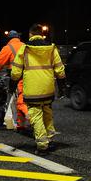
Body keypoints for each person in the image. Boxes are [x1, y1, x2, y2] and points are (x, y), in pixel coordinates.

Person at [10, 24, 66, 155]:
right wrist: (62, 86)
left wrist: (12, 85)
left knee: (36, 116)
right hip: (48, 88)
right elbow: (60, 70)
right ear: (42, 34)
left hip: (32, 89)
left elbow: (16, 72)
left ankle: (42, 146)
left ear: (30, 35)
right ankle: (50, 140)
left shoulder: (24, 49)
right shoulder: (52, 49)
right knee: (47, 113)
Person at [0, 30, 29, 130]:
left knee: (20, 102)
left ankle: (33, 120)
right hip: (31, 76)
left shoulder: (8, 48)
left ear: (9, 39)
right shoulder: (25, 46)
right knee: (20, 99)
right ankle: (20, 125)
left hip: (19, 77)